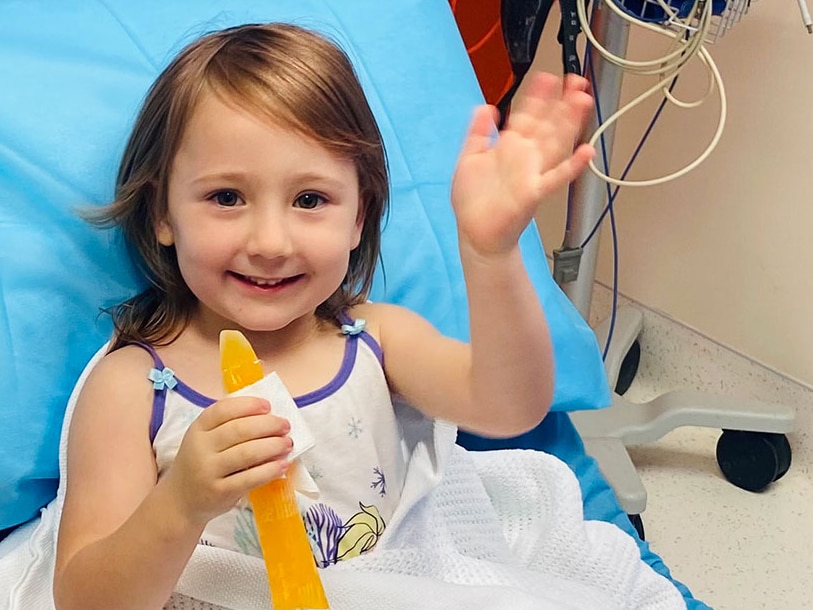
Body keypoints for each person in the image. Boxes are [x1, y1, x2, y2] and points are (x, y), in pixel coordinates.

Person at [52, 22, 594, 610]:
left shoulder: (374, 340)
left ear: (359, 217)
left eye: (310, 200)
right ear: (161, 213)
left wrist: (491, 254)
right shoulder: (132, 387)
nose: (270, 241)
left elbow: (510, 406)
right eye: (226, 198)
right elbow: (85, 599)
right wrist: (180, 504)